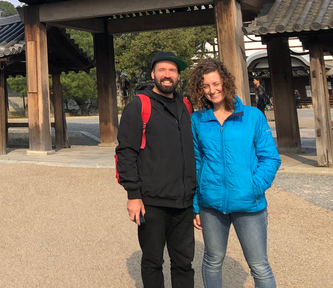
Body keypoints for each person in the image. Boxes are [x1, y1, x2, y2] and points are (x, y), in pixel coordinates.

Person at [188, 59, 281, 288]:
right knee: (212, 260)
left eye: (216, 83)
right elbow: (196, 162)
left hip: (249, 203)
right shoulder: (198, 120)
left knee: (259, 266)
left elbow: (270, 158)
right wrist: (196, 204)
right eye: (205, 86)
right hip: (211, 203)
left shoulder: (252, 116)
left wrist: (254, 186)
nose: (212, 90)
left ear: (226, 83)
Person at [116, 51, 196, 288]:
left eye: (172, 71)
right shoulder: (140, 105)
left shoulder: (186, 105)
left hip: (183, 200)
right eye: (162, 70)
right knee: (153, 261)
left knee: (183, 263)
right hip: (152, 200)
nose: (167, 75)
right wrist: (133, 195)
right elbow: (126, 152)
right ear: (153, 74)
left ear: (178, 76)